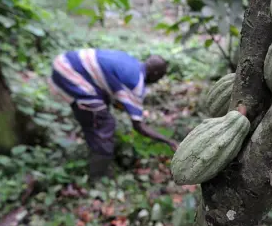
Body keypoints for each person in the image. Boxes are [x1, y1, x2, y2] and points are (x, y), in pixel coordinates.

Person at [47, 48, 179, 182]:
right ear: (155, 74)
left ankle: (93, 146)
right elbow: (139, 126)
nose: (158, 81)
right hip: (69, 73)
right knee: (104, 123)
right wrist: (169, 141)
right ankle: (98, 177)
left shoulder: (132, 62)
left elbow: (115, 94)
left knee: (98, 111)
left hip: (64, 62)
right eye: (160, 77)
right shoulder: (136, 83)